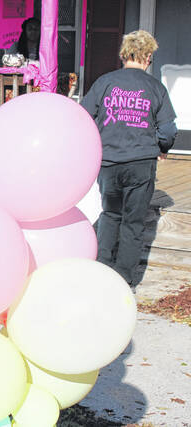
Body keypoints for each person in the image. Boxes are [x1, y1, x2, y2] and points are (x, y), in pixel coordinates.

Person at [81, 30, 177, 292]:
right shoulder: (155, 87)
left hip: (110, 162)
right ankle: (124, 280)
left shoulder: (105, 83)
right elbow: (168, 131)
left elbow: (83, 116)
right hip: (141, 164)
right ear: (147, 56)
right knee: (134, 221)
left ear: (124, 54)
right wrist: (163, 147)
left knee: (110, 215)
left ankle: (101, 270)